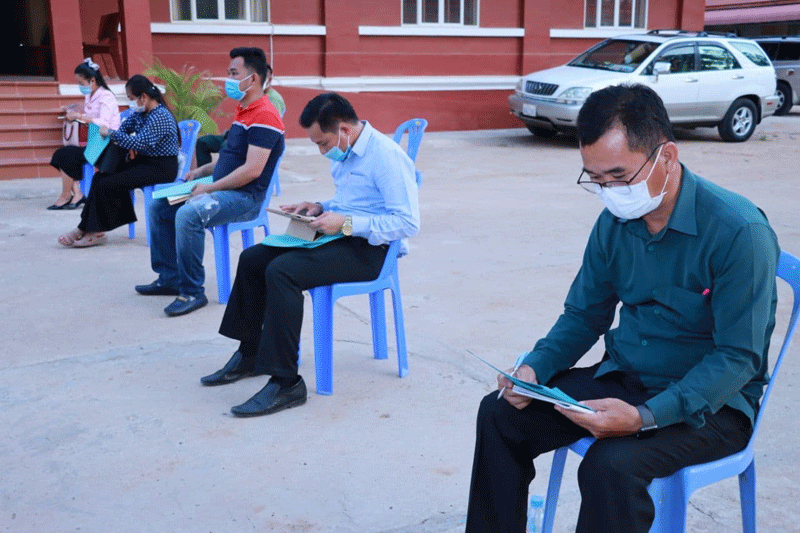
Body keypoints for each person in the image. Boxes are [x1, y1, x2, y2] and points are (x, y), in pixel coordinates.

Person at [465, 84, 779, 533]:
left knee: (609, 465)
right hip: (627, 377)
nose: (609, 191)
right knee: (500, 414)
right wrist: (535, 368)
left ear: (667, 157)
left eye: (619, 176)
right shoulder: (614, 222)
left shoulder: (738, 232)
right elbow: (583, 315)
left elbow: (738, 358)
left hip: (713, 405)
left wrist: (645, 418)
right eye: (596, 179)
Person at [199, 92, 420, 418]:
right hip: (339, 234)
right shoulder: (347, 151)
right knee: (253, 259)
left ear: (344, 129)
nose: (322, 151)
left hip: (371, 250)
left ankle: (286, 382)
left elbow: (407, 222)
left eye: (323, 143)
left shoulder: (386, 157)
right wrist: (319, 207)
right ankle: (250, 353)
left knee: (283, 271)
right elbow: (350, 202)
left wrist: (346, 223)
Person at [135, 47, 285, 317]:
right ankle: (169, 277)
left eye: (233, 73)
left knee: (189, 213)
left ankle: (193, 291)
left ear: (252, 78)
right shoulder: (244, 110)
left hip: (245, 198)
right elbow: (232, 159)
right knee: (160, 205)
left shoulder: (265, 115)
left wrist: (209, 187)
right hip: (223, 186)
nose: (228, 79)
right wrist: (201, 171)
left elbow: (252, 170)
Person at [57, 75, 180, 248]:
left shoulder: (160, 116)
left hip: (161, 167)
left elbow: (139, 143)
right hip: (145, 163)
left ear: (143, 97)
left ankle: (91, 230)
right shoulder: (141, 113)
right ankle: (87, 228)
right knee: (100, 178)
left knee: (108, 183)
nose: (131, 103)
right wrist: (114, 134)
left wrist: (111, 134)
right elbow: (124, 129)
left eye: (131, 98)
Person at [48, 58, 120, 210]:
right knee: (60, 155)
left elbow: (103, 123)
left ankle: (68, 196)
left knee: (65, 155)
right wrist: (72, 112)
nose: (80, 86)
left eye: (81, 83)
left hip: (107, 144)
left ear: (92, 80)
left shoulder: (106, 97)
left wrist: (79, 116)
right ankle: (76, 194)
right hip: (95, 141)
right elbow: (89, 115)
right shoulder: (90, 95)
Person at [194, 66, 286, 168]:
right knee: (203, 142)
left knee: (227, 147)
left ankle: (224, 174)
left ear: (269, 79)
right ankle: (204, 174)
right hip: (237, 135)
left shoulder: (273, 99)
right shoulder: (252, 96)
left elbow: (267, 129)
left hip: (252, 141)